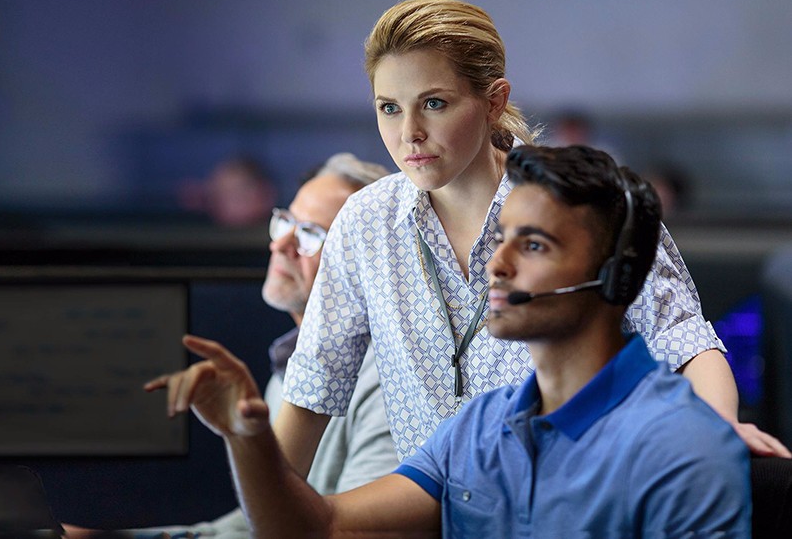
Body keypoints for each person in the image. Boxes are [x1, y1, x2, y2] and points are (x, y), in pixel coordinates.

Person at [272, 0, 788, 476]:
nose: (409, 133)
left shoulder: (579, 198)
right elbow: (313, 386)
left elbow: (683, 339)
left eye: (434, 104)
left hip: (573, 497)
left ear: (494, 101)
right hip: (433, 510)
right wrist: (264, 509)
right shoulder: (366, 222)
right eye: (389, 107)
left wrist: (718, 427)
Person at [149, 145, 751, 536]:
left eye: (533, 245)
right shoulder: (479, 431)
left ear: (615, 276)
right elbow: (317, 528)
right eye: (502, 237)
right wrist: (248, 438)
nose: (496, 264)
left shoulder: (680, 446)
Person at [65, 153, 397, 538]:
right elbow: (256, 523)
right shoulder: (295, 363)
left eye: (310, 234)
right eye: (285, 222)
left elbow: (356, 533)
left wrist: (247, 440)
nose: (280, 245)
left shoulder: (386, 380)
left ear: (368, 263)